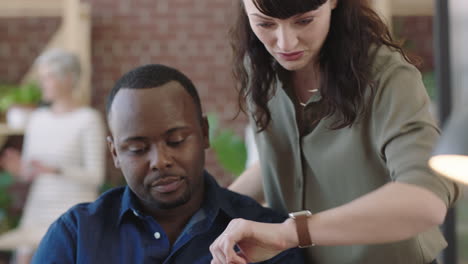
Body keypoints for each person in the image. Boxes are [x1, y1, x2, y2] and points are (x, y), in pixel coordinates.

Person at [209, 1, 460, 264]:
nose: (285, 43)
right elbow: (284, 159)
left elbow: (424, 202)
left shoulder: (387, 76)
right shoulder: (261, 65)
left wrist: (290, 233)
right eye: (265, 24)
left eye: (304, 21)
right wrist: (209, 217)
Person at [31, 64, 304, 263]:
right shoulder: (76, 236)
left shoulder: (267, 237)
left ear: (204, 133)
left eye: (176, 141)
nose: (160, 161)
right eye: (137, 149)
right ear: (114, 152)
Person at [0, 49, 106, 263]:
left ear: (67, 79)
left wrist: (56, 170)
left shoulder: (89, 119)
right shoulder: (38, 119)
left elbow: (96, 176)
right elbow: (31, 171)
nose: (41, 84)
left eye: (47, 77)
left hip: (73, 214)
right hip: (36, 213)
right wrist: (20, 170)